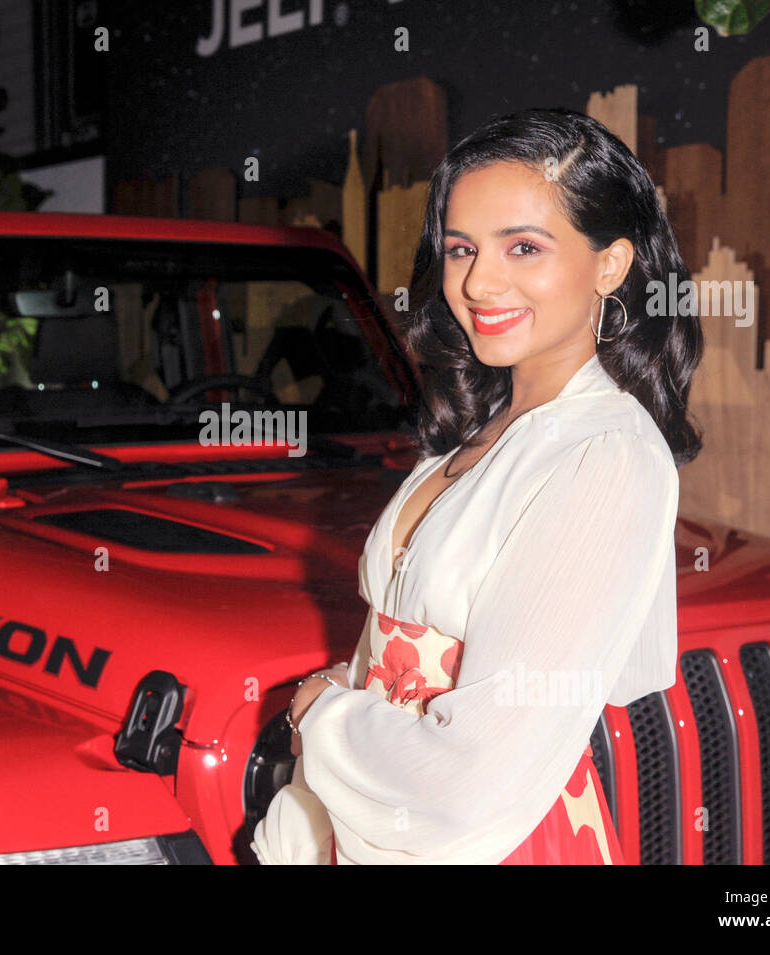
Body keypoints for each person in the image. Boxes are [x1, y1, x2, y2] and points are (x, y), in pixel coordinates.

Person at [250, 107, 703, 865]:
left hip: (490, 840)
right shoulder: (487, 431)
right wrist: (351, 684)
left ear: (611, 264)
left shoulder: (606, 453)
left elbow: (484, 766)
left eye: (524, 247)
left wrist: (326, 716)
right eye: (460, 249)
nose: (477, 282)